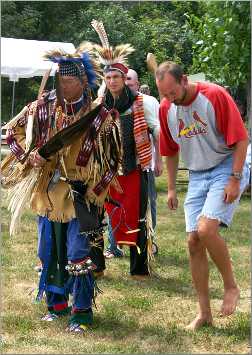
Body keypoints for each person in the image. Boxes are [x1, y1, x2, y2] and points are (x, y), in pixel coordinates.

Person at [1, 42, 121, 333]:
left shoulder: (99, 117)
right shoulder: (42, 109)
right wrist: (29, 157)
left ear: (82, 82)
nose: (64, 87)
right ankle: (56, 306)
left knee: (79, 253)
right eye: (61, 81)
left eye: (70, 82)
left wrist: (98, 189)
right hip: (48, 193)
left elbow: (114, 160)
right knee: (49, 250)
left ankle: (81, 312)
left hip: (82, 194)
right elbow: (11, 133)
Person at [156, 61, 250, 330]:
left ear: (184, 80)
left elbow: (241, 139)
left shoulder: (215, 95)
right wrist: (172, 187)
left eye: (172, 92)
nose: (169, 99)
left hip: (226, 165)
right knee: (194, 242)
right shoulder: (166, 108)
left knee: (207, 229)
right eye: (164, 95)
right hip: (197, 173)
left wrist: (234, 179)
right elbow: (170, 150)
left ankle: (231, 287)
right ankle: (204, 313)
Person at [91, 20, 161, 279]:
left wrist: (161, 156)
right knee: (97, 216)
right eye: (108, 77)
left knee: (138, 218)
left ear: (124, 79)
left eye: (116, 77)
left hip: (134, 169)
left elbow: (157, 129)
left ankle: (139, 269)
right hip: (105, 171)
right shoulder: (101, 103)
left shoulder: (141, 103)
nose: (112, 81)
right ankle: (97, 265)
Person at [126, 69, 162, 252]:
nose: (126, 83)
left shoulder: (147, 102)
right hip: (119, 165)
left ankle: (150, 240)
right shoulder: (113, 101)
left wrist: (159, 160)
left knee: (148, 201)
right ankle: (117, 244)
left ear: (137, 84)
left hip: (143, 163)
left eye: (130, 80)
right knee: (119, 203)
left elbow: (157, 131)